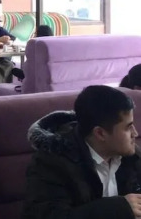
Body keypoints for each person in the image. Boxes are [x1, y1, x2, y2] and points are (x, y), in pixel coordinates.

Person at [23, 85, 141, 219]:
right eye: (128, 127)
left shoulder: (132, 156)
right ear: (100, 133)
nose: (135, 133)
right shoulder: (50, 163)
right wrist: (118, 208)